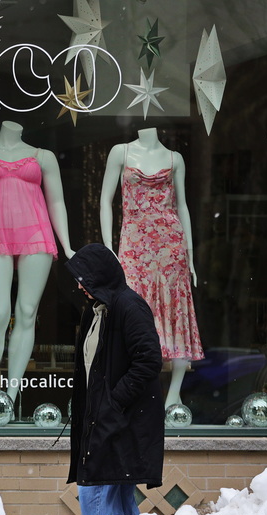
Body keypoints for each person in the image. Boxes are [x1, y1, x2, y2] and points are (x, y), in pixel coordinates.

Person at [0, 121, 74, 403]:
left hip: (36, 232)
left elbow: (57, 202)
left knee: (27, 312)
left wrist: (68, 246)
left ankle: (9, 396)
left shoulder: (43, 157)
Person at [100, 127, 204, 409]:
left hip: (171, 245)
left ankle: (173, 396)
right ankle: (139, 387)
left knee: (175, 311)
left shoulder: (175, 159)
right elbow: (105, 201)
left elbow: (182, 206)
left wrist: (190, 256)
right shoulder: (120, 152)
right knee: (134, 311)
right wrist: (109, 248)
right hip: (133, 244)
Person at [64, 243, 164, 515]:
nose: (80, 287)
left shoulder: (128, 306)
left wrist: (114, 401)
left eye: (84, 280)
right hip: (102, 420)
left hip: (118, 422)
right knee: (116, 501)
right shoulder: (95, 312)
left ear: (100, 277)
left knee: (95, 492)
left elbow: (148, 360)